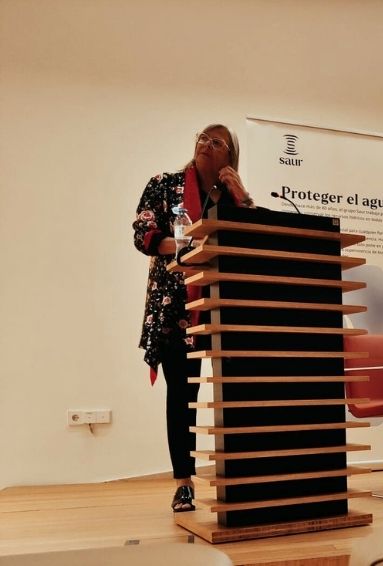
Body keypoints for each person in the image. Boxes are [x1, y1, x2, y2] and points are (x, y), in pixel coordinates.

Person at [132, 124, 256, 512]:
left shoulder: (232, 197)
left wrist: (243, 197)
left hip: (223, 305)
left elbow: (253, 239)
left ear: (230, 157)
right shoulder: (164, 185)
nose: (206, 144)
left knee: (236, 392)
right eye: (202, 138)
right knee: (183, 395)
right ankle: (183, 482)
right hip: (175, 307)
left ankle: (241, 475)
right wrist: (187, 245)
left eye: (217, 142)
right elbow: (143, 234)